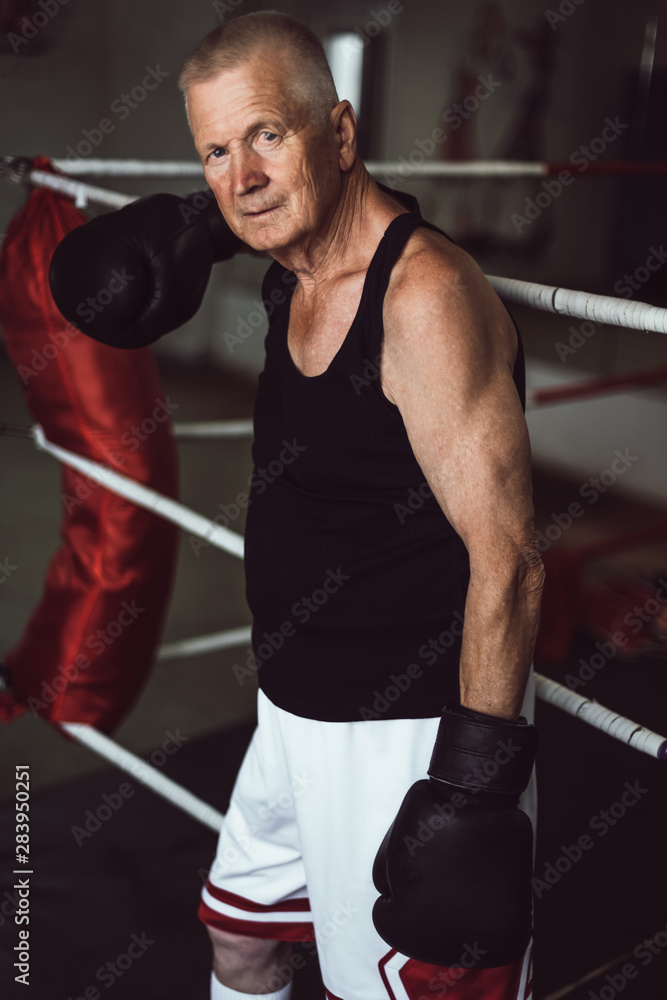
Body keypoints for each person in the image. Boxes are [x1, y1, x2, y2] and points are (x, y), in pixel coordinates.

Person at [178, 11, 544, 1000]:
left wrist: (468, 787)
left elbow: (508, 557)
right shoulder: (287, 273)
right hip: (292, 711)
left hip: (399, 736)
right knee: (243, 944)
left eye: (266, 134)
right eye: (215, 149)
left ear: (339, 134)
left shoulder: (420, 301)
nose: (240, 175)